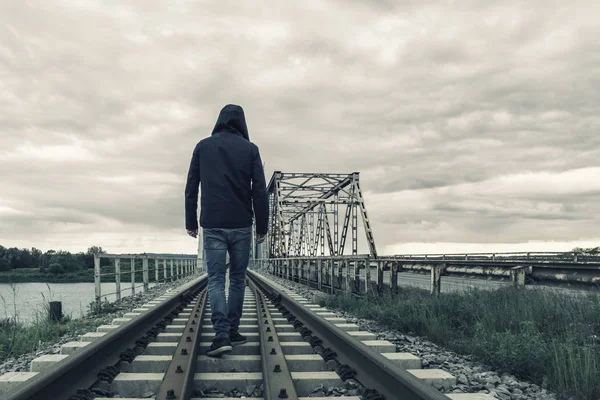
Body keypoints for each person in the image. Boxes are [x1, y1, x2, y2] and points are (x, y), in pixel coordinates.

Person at [185, 104, 269, 357]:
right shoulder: (250, 149)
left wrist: (191, 222)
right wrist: (262, 228)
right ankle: (232, 330)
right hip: (242, 224)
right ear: (242, 123)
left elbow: (191, 187)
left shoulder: (203, 146)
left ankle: (221, 335)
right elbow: (260, 191)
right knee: (238, 279)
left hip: (212, 224)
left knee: (216, 280)